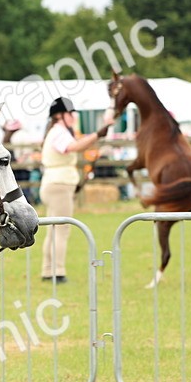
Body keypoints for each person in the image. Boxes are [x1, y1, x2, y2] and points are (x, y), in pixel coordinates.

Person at [40, 96, 113, 283]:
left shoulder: (56, 131)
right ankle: (58, 271)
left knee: (52, 229)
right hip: (60, 185)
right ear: (60, 116)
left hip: (53, 184)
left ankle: (48, 270)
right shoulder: (59, 132)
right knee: (61, 229)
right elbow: (74, 147)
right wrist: (98, 134)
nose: (73, 116)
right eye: (70, 113)